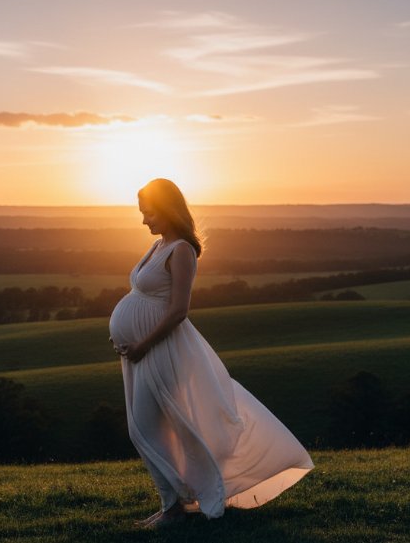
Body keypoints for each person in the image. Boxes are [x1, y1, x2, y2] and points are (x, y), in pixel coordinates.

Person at [108, 178, 314, 529]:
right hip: (140, 353)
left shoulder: (182, 250)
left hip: (161, 350)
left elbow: (179, 310)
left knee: (145, 429)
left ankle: (175, 508)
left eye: (149, 213)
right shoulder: (158, 246)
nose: (144, 220)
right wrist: (127, 336)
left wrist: (142, 343)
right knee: (150, 428)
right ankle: (172, 505)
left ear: (169, 209)